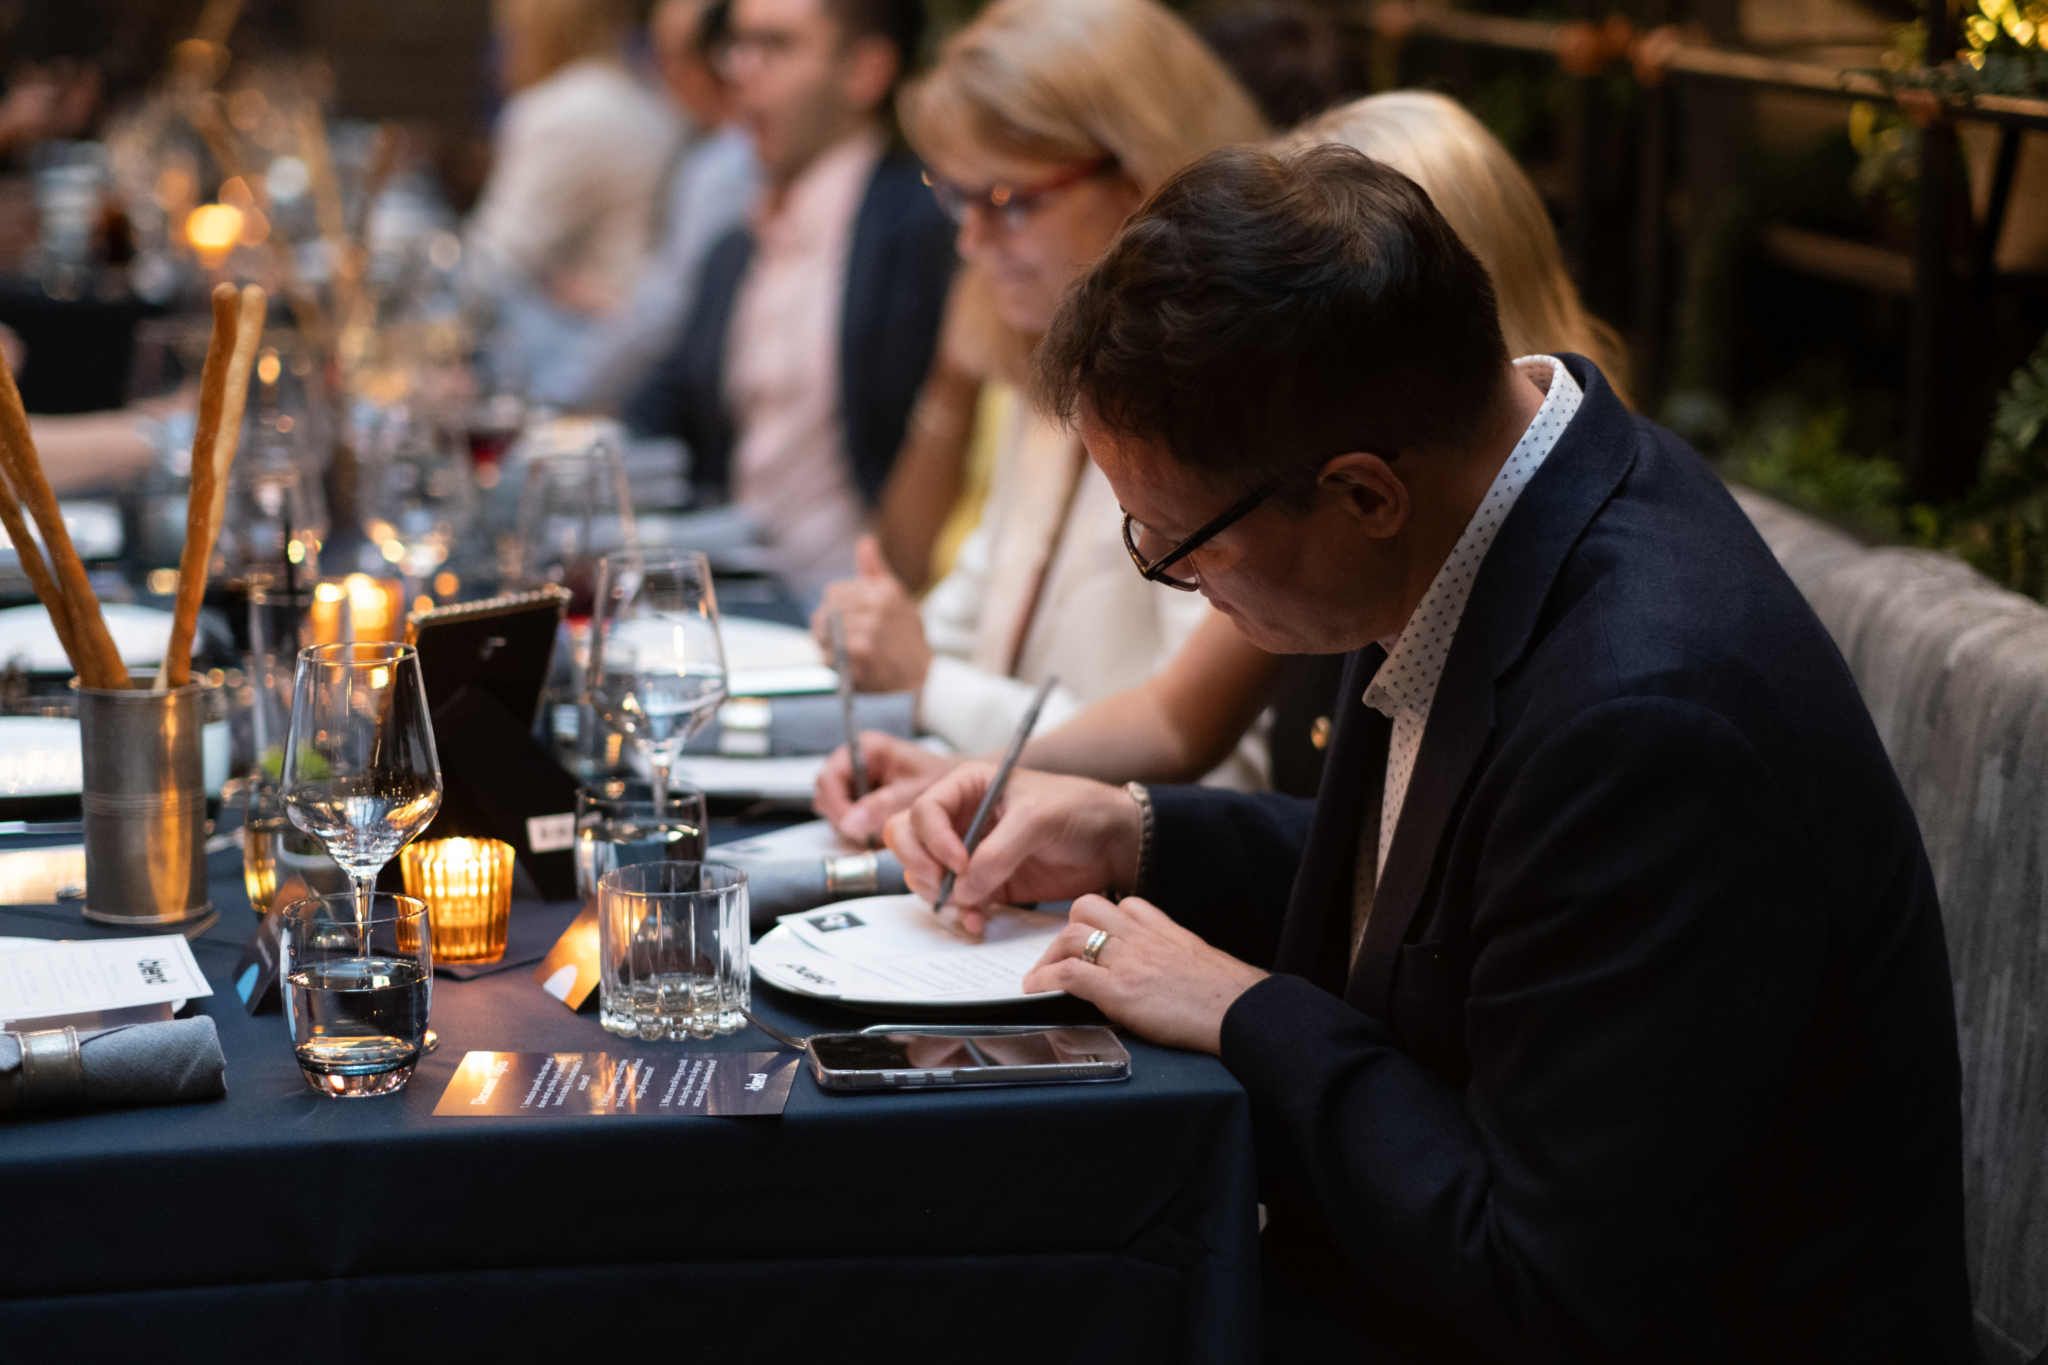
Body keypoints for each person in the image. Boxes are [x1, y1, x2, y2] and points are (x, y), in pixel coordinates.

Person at [888, 144, 1975, 1359]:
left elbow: (1550, 1280)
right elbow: (1466, 889)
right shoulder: (1491, 488)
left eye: (1176, 543)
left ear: (1361, 495)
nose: (1175, 578)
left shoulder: (1650, 719)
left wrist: (1250, 1012)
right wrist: (1136, 831)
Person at [816, 89, 1634, 839]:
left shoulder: (1601, 661)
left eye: (1008, 199)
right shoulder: (1343, 490)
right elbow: (1340, 854)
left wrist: (1234, 1002)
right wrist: (1039, 802)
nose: (970, 237)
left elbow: (1184, 729)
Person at [806, 0, 1268, 763]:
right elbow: (975, 617)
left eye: (1008, 202)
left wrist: (929, 684)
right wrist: (880, 636)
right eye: (955, 194)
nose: (970, 237)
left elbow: (1216, 766)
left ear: (1140, 178)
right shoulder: (1044, 346)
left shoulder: (1233, 394)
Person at [625, 0, 953, 595]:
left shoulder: (925, 230)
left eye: (775, 46)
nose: (741, 69)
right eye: (737, 45)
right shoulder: (736, 245)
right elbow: (660, 407)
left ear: (866, 71)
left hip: (858, 605)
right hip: (735, 592)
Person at [539, 0, 761, 412]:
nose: (667, 72)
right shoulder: (689, 139)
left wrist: (553, 396)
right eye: (659, 55)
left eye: (679, 56)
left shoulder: (727, 162)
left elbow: (668, 314)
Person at [465, 0, 682, 399]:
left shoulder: (560, 111)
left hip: (587, 363)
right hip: (642, 354)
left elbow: (487, 271)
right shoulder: (644, 97)